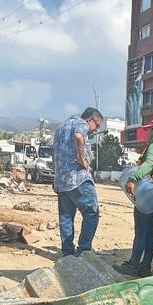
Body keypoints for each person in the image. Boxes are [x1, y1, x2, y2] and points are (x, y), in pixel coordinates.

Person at [119, 118, 153, 277]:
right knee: (150, 232)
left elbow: (149, 165)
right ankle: (145, 267)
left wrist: (133, 178)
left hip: (148, 190)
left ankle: (133, 265)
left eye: (150, 129)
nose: (148, 132)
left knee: (141, 231)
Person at [53, 107, 103, 256]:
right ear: (90, 120)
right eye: (97, 125)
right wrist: (82, 160)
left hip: (62, 181)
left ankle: (67, 253)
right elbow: (79, 136)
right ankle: (83, 251)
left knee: (66, 218)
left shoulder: (61, 127)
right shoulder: (81, 123)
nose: (96, 129)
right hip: (78, 179)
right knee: (92, 213)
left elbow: (55, 152)